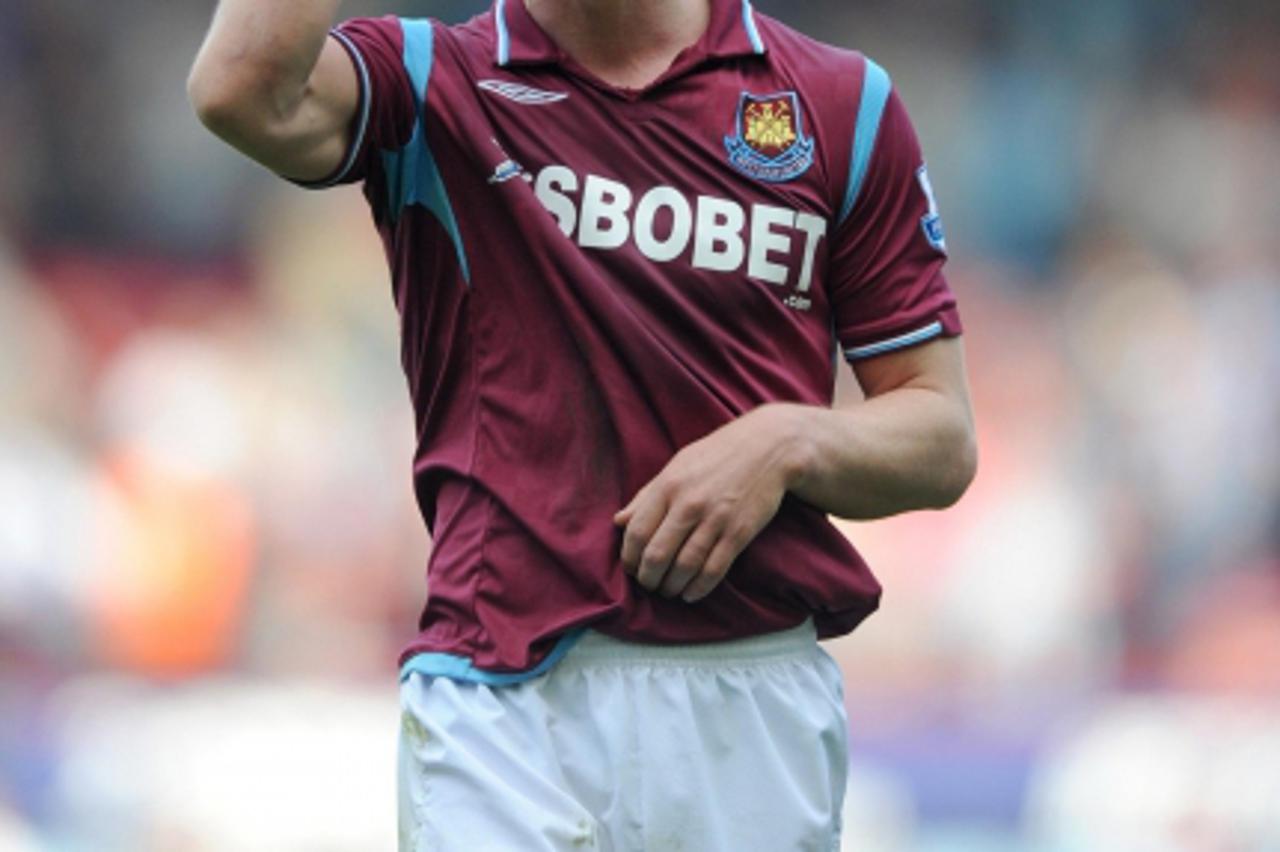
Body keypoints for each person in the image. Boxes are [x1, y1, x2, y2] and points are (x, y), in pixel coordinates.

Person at [188, 0, 977, 848]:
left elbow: (940, 436)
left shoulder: (838, 104)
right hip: (499, 702)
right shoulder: (433, 81)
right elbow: (242, 90)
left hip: (748, 695)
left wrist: (788, 442)